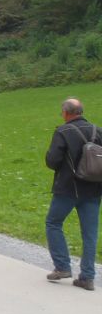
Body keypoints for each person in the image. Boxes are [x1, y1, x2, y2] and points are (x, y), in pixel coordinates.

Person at [44, 97, 102, 291]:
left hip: (68, 189)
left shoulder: (63, 131)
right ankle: (87, 277)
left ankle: (62, 267)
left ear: (67, 113)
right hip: (93, 189)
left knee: (53, 223)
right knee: (90, 234)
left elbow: (53, 161)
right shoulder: (97, 130)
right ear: (81, 112)